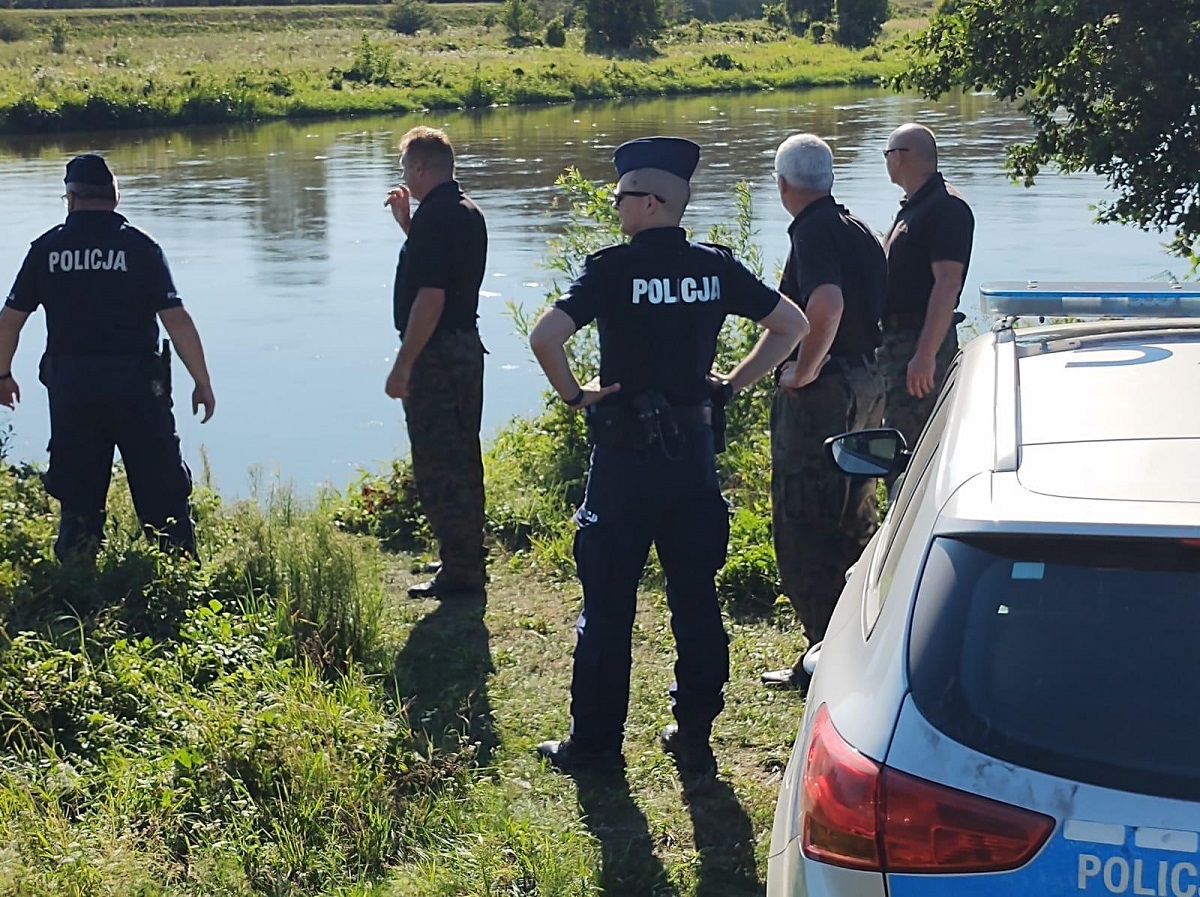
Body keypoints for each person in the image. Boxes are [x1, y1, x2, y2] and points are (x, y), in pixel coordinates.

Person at [528, 136, 810, 777]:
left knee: (606, 603)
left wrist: (576, 395)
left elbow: (546, 336)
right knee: (696, 597)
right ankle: (694, 734)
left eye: (622, 195)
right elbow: (792, 325)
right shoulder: (714, 266)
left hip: (625, 464)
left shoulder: (610, 270)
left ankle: (595, 746)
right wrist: (731, 385)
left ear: (652, 202)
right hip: (692, 460)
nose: (615, 205)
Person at [0, 153, 215, 560]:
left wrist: (2, 375)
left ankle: (77, 584)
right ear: (115, 197)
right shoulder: (141, 247)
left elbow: (9, 322)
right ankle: (179, 575)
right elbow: (178, 321)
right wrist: (201, 381)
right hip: (139, 389)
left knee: (78, 494)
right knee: (162, 489)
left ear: (71, 198)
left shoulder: (46, 249)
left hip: (73, 390)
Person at [757, 134, 887, 691]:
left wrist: (803, 370)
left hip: (827, 394)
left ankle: (822, 659)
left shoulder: (810, 232)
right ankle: (859, 646)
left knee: (805, 520)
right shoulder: (858, 228)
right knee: (851, 512)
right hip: (866, 382)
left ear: (785, 185)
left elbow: (826, 305)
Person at [383, 126, 489, 600]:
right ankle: (462, 553)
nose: (403, 174)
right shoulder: (465, 211)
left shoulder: (437, 219)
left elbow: (431, 296)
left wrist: (404, 363)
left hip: (437, 354)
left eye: (405, 165)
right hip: (465, 347)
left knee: (439, 459)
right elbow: (443, 270)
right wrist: (408, 223)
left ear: (421, 168)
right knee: (463, 453)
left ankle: (461, 571)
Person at [879, 123, 974, 452]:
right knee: (897, 437)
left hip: (917, 342)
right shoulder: (915, 204)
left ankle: (916, 503)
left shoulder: (945, 207)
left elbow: (947, 284)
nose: (886, 161)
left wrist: (924, 355)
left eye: (887, 154)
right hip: (898, 344)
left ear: (901, 158)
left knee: (913, 447)